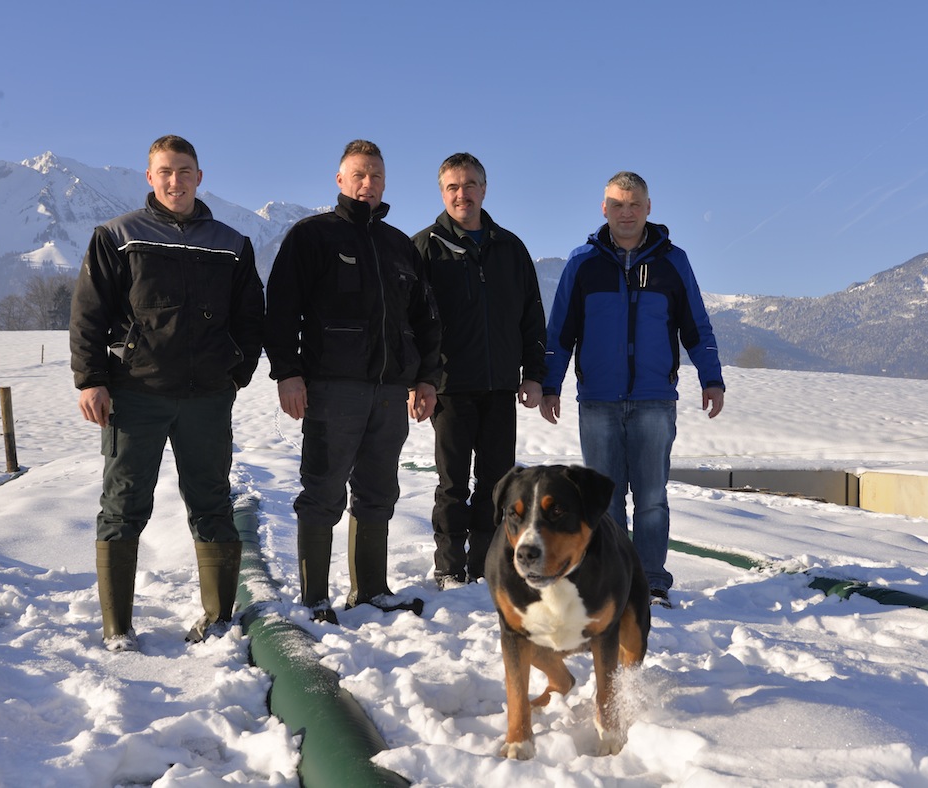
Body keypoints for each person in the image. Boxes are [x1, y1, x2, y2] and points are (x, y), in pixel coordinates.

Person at [70, 134, 265, 651]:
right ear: (150, 177)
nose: (175, 181)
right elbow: (88, 312)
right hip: (136, 392)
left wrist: (237, 372)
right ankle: (117, 627)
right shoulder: (118, 236)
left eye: (184, 171)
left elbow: (251, 315)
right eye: (165, 172)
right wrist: (91, 379)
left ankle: (217, 619)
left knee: (212, 503)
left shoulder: (231, 243)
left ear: (199, 177)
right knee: (123, 505)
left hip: (208, 397)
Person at [264, 139, 441, 624]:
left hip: (389, 393)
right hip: (331, 388)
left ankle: (370, 590)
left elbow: (426, 319)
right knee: (322, 492)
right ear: (340, 180)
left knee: (378, 493)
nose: (368, 184)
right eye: (359, 175)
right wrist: (288, 373)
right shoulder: (313, 236)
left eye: (376, 176)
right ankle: (314, 598)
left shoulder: (399, 246)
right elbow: (281, 309)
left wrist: (426, 378)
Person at [539, 171, 725, 609]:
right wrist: (550, 384)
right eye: (618, 205)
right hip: (598, 401)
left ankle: (651, 583)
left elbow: (696, 326)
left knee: (652, 497)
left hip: (654, 400)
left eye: (634, 204)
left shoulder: (673, 261)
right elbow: (560, 330)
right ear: (604, 208)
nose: (626, 213)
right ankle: (611, 583)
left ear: (648, 208)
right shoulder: (582, 262)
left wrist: (712, 378)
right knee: (603, 500)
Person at [412, 153, 546, 589]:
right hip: (449, 388)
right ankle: (450, 567)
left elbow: (532, 317)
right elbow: (409, 323)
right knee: (452, 485)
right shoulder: (424, 248)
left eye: (469, 185)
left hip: (500, 387)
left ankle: (489, 565)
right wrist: (418, 380)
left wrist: (533, 374)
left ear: (484, 189)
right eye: (452, 187)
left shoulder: (510, 248)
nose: (462, 194)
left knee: (498, 485)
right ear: (442, 192)